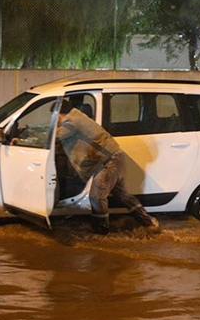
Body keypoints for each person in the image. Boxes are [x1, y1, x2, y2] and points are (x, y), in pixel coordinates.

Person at [55, 100, 158, 234]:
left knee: (96, 196)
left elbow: (55, 136)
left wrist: (30, 137)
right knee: (122, 195)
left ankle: (101, 231)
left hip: (109, 161)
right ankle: (148, 223)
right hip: (113, 158)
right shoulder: (77, 117)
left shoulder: (71, 122)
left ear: (59, 114)